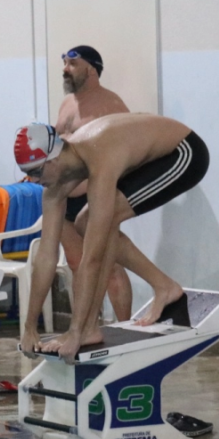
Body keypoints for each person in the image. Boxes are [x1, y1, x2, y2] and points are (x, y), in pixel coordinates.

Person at [15, 113, 210, 364]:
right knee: (86, 222)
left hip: (184, 153)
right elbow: (45, 257)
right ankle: (161, 287)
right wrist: (29, 326)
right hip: (147, 157)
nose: (33, 180)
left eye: (35, 172)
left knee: (100, 225)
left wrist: (76, 333)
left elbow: (92, 259)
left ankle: (155, 292)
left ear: (53, 159)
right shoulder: (55, 184)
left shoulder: (98, 157)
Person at [54, 45, 134, 323]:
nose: (65, 69)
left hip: (93, 199)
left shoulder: (112, 106)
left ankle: (125, 328)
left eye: (72, 64)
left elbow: (129, 153)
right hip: (63, 197)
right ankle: (87, 327)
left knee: (108, 267)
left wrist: (99, 185)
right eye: (64, 63)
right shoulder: (67, 104)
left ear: (91, 69)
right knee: (78, 266)